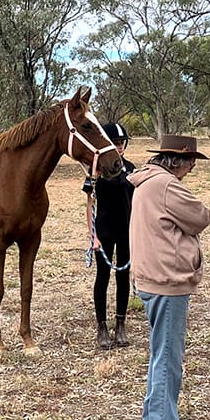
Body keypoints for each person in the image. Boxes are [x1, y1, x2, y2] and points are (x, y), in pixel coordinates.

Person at [129, 134, 210, 420]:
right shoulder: (166, 186)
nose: (192, 168)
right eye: (191, 161)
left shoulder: (147, 181)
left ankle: (158, 415)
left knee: (160, 352)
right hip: (167, 279)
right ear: (178, 160)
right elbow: (200, 217)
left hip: (152, 277)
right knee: (168, 356)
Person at [81, 122, 135, 349]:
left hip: (127, 228)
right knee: (102, 278)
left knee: (123, 276)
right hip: (104, 229)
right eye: (116, 143)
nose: (120, 147)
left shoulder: (131, 168)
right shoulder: (96, 172)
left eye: (122, 143)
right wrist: (93, 236)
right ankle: (101, 327)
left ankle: (120, 325)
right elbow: (89, 204)